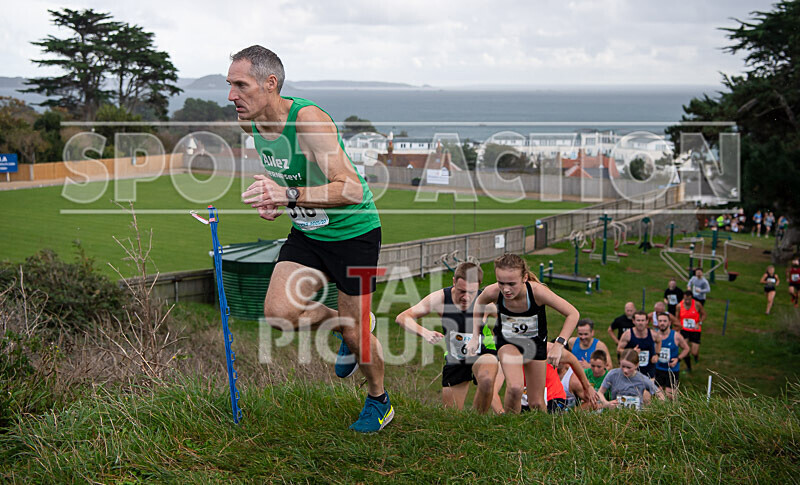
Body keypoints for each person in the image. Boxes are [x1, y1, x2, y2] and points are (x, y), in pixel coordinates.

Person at [230, 46, 389, 432]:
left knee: (358, 337)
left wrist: (288, 196)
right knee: (280, 313)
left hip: (354, 235)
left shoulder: (309, 121)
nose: (232, 96)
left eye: (240, 85)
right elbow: (294, 178)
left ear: (270, 84)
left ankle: (379, 400)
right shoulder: (252, 124)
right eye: (229, 85)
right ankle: (348, 325)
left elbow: (350, 188)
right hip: (308, 232)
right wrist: (277, 201)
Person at [466, 253, 580, 414]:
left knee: (536, 403)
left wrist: (558, 345)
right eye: (501, 283)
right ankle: (510, 427)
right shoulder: (493, 292)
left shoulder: (538, 293)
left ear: (524, 278)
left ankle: (540, 435)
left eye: (512, 284)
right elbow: (479, 303)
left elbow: (573, 314)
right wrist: (475, 336)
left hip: (535, 345)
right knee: (515, 388)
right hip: (508, 343)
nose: (506, 289)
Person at [395, 262, 503, 414]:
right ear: (453, 282)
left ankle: (478, 422)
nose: (465, 297)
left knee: (486, 380)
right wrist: (425, 332)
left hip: (484, 351)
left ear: (479, 286)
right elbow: (402, 317)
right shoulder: (440, 299)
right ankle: (467, 424)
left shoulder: (486, 302)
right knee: (451, 414)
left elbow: (509, 324)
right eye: (461, 291)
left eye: (471, 292)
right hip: (456, 355)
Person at [597, 349, 665, 409]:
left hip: (636, 415)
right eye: (622, 366)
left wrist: (653, 409)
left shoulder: (642, 378)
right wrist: (606, 403)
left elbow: (660, 395)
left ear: (636, 365)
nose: (625, 370)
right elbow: (600, 392)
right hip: (617, 413)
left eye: (629, 367)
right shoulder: (613, 374)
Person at [654, 312, 689, 399]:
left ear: (669, 323)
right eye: (660, 321)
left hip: (672, 370)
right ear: (657, 323)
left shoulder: (676, 336)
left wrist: (678, 359)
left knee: (671, 396)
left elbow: (686, 348)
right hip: (658, 369)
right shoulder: (654, 335)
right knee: (659, 396)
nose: (662, 323)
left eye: (664, 321)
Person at [617, 311, 661, 379]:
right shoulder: (627, 334)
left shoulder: (653, 334)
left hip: (649, 370)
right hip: (631, 371)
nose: (640, 323)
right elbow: (619, 349)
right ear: (633, 321)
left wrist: (657, 355)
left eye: (643, 320)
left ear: (647, 321)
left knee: (650, 389)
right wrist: (632, 352)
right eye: (638, 320)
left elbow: (659, 341)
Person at [677, 290, 707, 372]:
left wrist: (699, 323)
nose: (687, 301)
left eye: (689, 299)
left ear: (691, 298)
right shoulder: (679, 306)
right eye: (685, 299)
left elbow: (704, 314)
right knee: (686, 349)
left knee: (694, 352)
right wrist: (678, 328)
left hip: (695, 330)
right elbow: (677, 318)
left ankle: (696, 356)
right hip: (684, 330)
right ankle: (688, 367)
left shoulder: (697, 304)